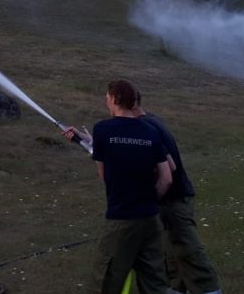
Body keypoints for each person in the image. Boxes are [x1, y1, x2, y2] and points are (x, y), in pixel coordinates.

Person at [65, 80, 173, 294]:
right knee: (154, 282)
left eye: (107, 97)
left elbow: (104, 174)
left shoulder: (103, 129)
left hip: (121, 218)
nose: (107, 100)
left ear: (114, 99)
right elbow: (167, 177)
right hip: (150, 219)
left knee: (105, 280)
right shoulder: (151, 131)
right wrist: (151, 200)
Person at [133, 96, 222, 294]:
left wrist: (152, 199)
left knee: (189, 254)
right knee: (172, 262)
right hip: (172, 201)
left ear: (131, 104)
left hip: (173, 201)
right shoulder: (152, 120)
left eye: (113, 103)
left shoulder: (145, 127)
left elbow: (168, 170)